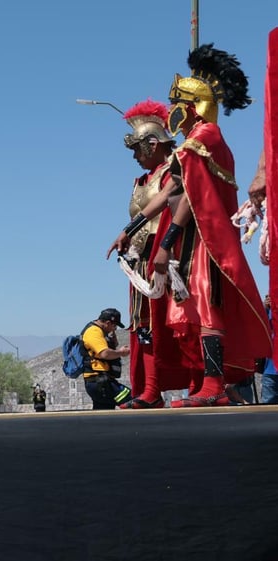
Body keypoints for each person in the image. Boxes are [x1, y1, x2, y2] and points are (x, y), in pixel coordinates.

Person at [109, 44, 272, 407]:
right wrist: (131, 227)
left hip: (205, 238)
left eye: (177, 105)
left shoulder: (204, 137)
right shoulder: (196, 141)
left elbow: (183, 194)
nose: (172, 113)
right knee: (192, 309)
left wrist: (165, 243)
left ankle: (213, 385)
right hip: (194, 238)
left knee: (205, 307)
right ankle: (206, 384)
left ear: (190, 106)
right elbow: (170, 189)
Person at [116, 99, 200, 409]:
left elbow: (176, 205)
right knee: (144, 326)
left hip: (170, 253)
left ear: (154, 144)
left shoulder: (173, 170)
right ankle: (150, 391)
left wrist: (165, 246)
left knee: (180, 320)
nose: (136, 157)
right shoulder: (140, 182)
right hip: (141, 259)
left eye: (139, 149)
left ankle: (197, 384)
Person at [80, 309, 132, 410]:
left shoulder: (100, 332)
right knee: (132, 399)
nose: (115, 329)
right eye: (114, 326)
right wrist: (121, 352)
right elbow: (104, 353)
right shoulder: (93, 332)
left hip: (100, 382)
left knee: (103, 415)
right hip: (100, 382)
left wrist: (113, 342)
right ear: (108, 323)